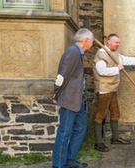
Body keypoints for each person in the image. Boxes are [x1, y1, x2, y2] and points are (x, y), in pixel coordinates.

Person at [92, 33, 135, 152]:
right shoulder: (101, 55)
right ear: (109, 42)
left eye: (119, 42)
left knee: (115, 113)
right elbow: (102, 71)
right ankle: (98, 142)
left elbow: (124, 59)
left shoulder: (114, 53)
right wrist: (116, 69)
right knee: (100, 115)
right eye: (116, 42)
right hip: (104, 90)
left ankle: (115, 138)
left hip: (112, 88)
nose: (118, 44)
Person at [51, 28, 94, 168]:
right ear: (86, 40)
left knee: (81, 128)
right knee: (64, 133)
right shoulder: (73, 52)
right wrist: (56, 94)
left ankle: (69, 160)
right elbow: (62, 76)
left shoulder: (77, 53)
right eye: (92, 41)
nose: (92, 44)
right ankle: (58, 165)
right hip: (70, 99)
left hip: (77, 99)